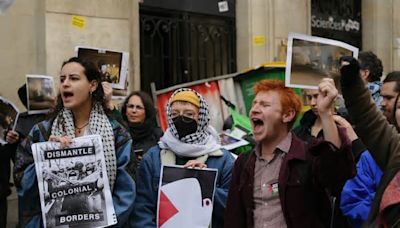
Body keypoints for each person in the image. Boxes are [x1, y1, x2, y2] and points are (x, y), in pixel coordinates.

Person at [13, 57, 135, 227]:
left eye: (74, 78)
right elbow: (22, 182)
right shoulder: (42, 131)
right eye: (62, 79)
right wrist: (46, 156)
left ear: (92, 85)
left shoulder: (117, 134)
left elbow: (126, 190)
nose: (65, 84)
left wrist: (104, 222)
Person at [224, 79, 354, 228]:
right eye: (254, 104)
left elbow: (337, 174)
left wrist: (325, 113)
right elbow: (233, 218)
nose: (255, 109)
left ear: (288, 115)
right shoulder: (243, 163)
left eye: (265, 105)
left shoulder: (308, 156)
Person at [132, 88, 234, 228]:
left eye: (189, 114)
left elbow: (234, 207)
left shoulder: (223, 159)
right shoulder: (153, 157)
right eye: (174, 114)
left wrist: (206, 186)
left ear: (201, 117)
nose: (180, 118)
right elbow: (142, 209)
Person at [340, 56, 400, 227]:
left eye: (390, 98)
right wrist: (351, 82)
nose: (383, 104)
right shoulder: (396, 148)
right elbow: (368, 120)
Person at [120, 91, 163, 165]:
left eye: (139, 107)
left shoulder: (157, 135)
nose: (134, 111)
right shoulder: (120, 133)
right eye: (130, 106)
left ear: (147, 111)